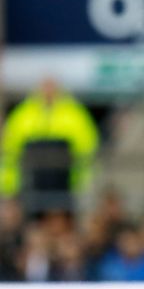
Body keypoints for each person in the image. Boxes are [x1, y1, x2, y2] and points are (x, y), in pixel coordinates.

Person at [0, 77, 99, 214]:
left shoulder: (75, 114)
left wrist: (82, 184)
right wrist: (9, 188)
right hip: (30, 187)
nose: (48, 91)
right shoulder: (22, 115)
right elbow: (9, 152)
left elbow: (88, 148)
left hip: (66, 186)